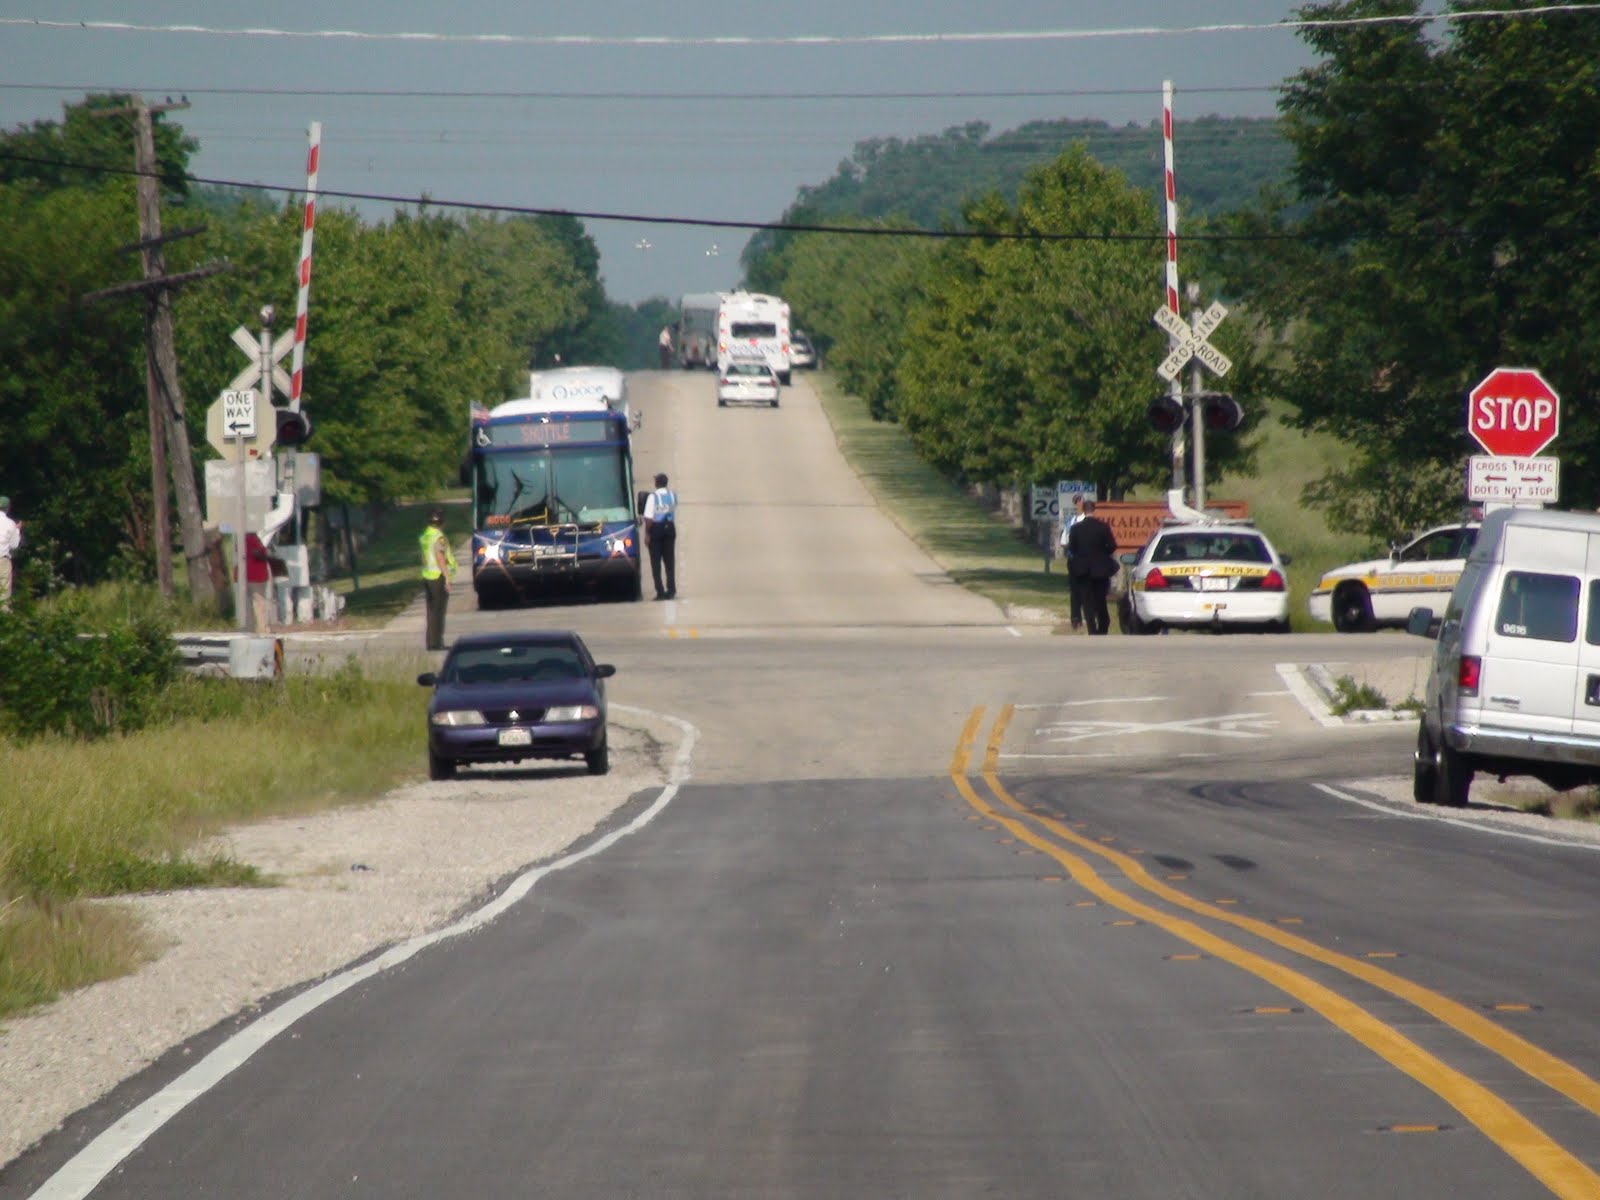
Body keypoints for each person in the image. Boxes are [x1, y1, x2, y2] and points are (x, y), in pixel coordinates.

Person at [1066, 499, 1119, 636]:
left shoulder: (1076, 528)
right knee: (1100, 599)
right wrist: (1102, 554)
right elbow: (1112, 546)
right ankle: (1102, 627)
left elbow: (1072, 548)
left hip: (1083, 570)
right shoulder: (1103, 527)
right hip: (1100, 570)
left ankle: (1092, 628)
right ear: (1094, 510)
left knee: (1087, 600)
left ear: (1083, 510)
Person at [420, 508, 458, 651]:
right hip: (438, 577)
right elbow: (440, 557)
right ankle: (437, 643)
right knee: (439, 611)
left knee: (431, 611)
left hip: (427, 576)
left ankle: (431, 642)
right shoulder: (438, 537)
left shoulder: (425, 535)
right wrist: (447, 577)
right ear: (441, 521)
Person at [642, 472, 678, 599]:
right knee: (669, 561)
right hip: (670, 528)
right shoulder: (672, 495)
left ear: (657, 483)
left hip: (656, 529)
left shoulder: (653, 497)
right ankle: (671, 589)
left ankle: (660, 591)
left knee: (655, 562)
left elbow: (648, 518)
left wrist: (647, 534)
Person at [243, 531, 284, 633]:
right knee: (259, 603)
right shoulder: (251, 538)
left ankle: (252, 627)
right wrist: (267, 554)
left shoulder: (243, 539)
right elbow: (257, 552)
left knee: (252, 603)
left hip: (250, 575)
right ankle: (262, 628)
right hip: (256, 575)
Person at [1059, 494, 1087, 631]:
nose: (1078, 505)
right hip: (1074, 560)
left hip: (1089, 560)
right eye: (1076, 503)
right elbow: (1064, 542)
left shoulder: (1089, 521)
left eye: (1081, 502)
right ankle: (1075, 618)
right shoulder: (1071, 522)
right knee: (1075, 590)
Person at [0, 495, 21, 612]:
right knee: (3, 594)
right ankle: (3, 622)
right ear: (8, 508)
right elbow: (14, 545)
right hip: (2, 560)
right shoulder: (10, 523)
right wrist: (17, 529)